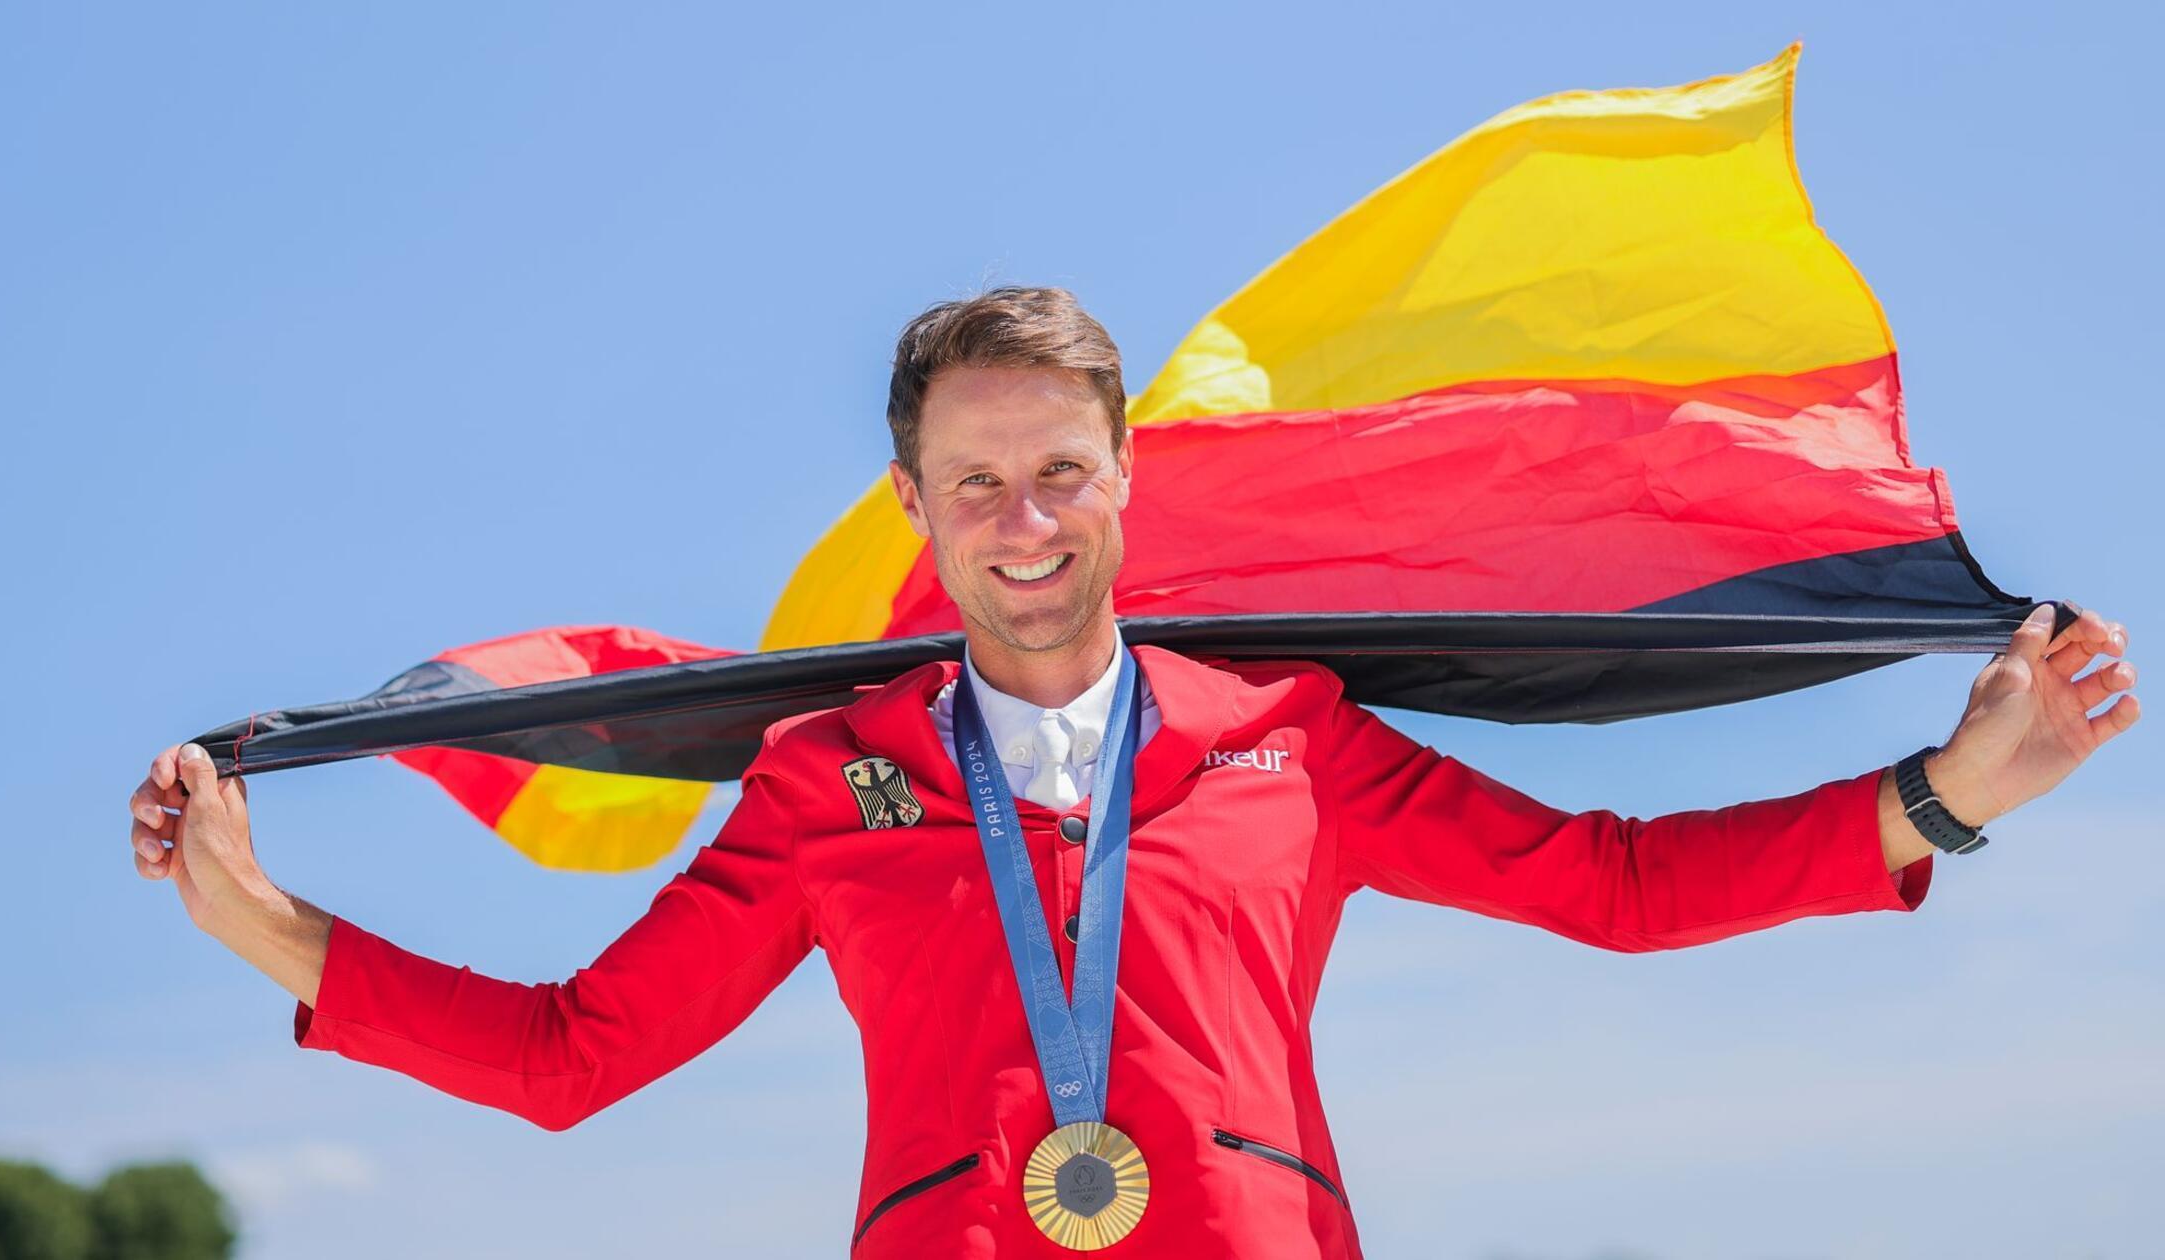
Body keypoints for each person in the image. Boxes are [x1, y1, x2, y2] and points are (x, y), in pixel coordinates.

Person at [126, 287, 2138, 1257]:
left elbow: (1606, 885)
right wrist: (258, 921)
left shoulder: (1287, 736)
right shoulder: (830, 778)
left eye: (1059, 474)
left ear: (1121, 483)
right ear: (917, 505)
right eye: (975, 483)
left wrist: (1950, 792)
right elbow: (576, 1053)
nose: (1022, 522)